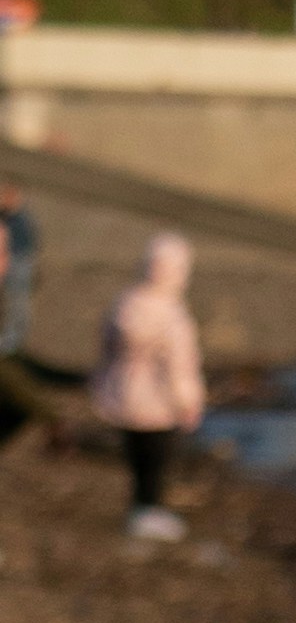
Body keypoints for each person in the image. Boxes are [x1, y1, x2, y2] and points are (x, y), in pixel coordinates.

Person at [88, 230, 204, 540]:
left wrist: (103, 381)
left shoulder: (125, 303)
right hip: (158, 399)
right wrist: (188, 402)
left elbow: (106, 346)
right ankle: (149, 510)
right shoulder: (172, 314)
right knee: (157, 458)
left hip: (123, 391)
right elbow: (179, 365)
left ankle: (139, 508)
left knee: (136, 455)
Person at [0, 187, 37, 360]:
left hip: (18, 265)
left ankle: (12, 341)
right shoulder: (10, 219)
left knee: (17, 303)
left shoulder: (20, 221)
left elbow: (21, 248)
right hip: (14, 264)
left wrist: (7, 261)